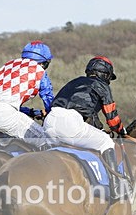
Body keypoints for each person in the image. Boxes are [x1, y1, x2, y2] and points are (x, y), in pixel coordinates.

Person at [43, 56, 129, 200]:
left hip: (49, 122)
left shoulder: (73, 82)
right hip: (70, 123)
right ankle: (116, 187)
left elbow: (89, 116)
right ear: (106, 74)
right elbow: (112, 119)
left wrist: (99, 130)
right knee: (106, 142)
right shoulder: (102, 86)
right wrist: (121, 130)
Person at [0, 40, 56, 150]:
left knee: (14, 146)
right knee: (46, 141)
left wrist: (32, 112)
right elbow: (48, 97)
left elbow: (3, 102)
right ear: (44, 62)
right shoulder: (39, 70)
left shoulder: (9, 65)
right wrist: (51, 113)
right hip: (5, 116)